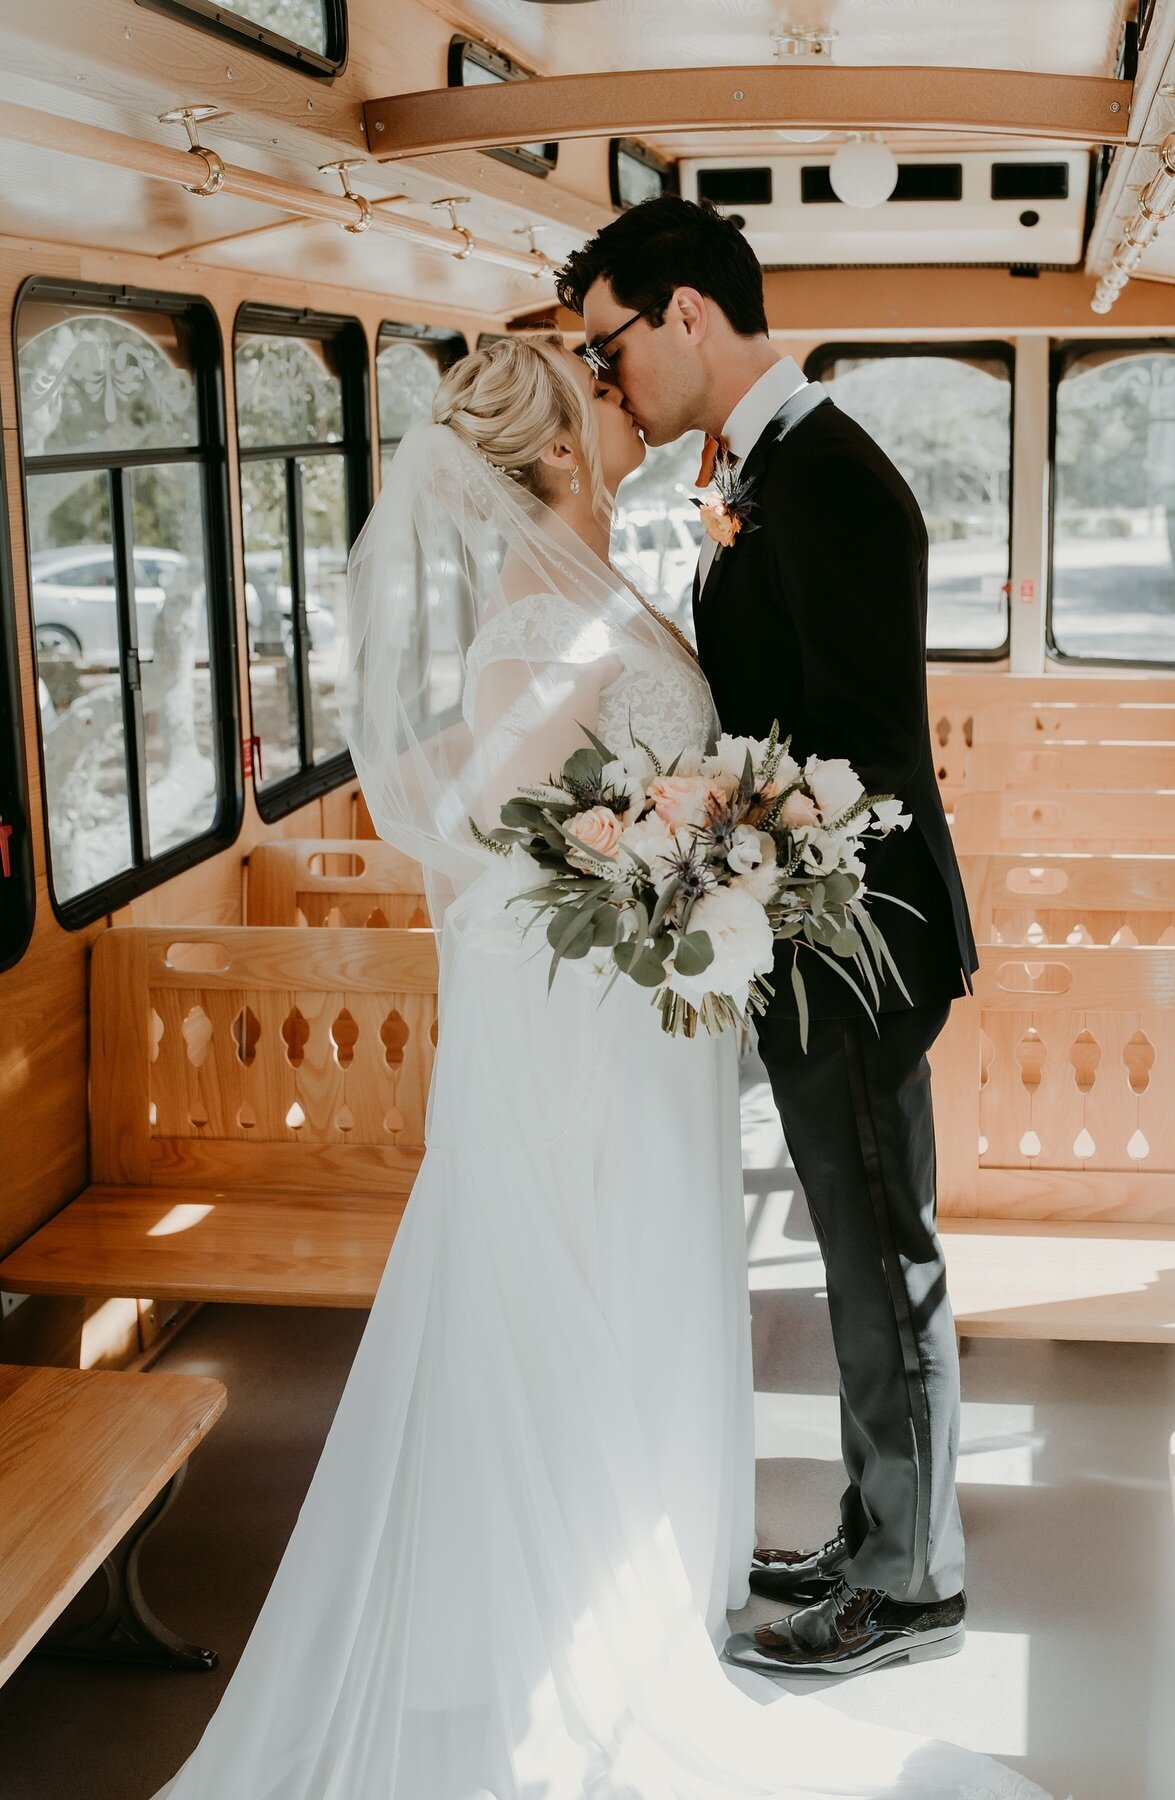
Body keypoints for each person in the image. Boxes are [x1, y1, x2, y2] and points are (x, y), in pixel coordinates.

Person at [146, 335, 1043, 1800]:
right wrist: (668, 876)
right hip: (590, 1035)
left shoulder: (600, 584)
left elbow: (621, 786)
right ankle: (579, 1615)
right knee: (598, 1289)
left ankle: (649, 1574)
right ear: (562, 450)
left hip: (647, 1026)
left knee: (655, 1285)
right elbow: (487, 828)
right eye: (604, 398)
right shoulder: (534, 626)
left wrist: (703, 853)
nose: (628, 409)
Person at [557, 195, 981, 1679]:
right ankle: (878, 1526)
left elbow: (856, 751)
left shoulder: (835, 482)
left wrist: (712, 839)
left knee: (882, 1260)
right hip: (810, 934)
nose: (606, 381)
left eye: (609, 346)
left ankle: (913, 1583)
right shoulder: (762, 473)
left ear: (683, 313)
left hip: (860, 935)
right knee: (853, 1253)